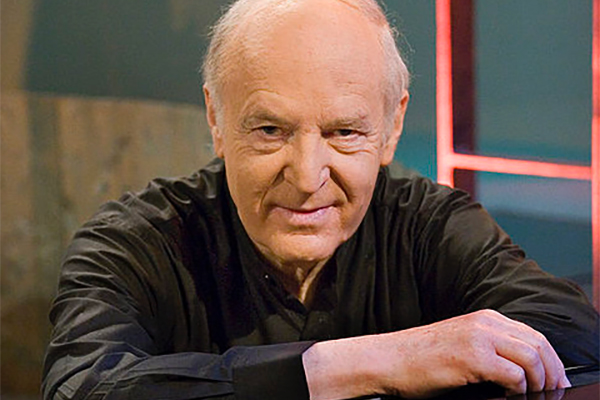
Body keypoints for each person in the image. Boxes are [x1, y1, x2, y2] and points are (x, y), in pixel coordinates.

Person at [42, 0, 599, 399]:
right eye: (270, 130)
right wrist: (367, 364)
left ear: (392, 126)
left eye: (344, 132)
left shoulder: (431, 224)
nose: (308, 177)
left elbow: (573, 332)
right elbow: (82, 386)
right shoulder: (133, 243)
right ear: (216, 118)